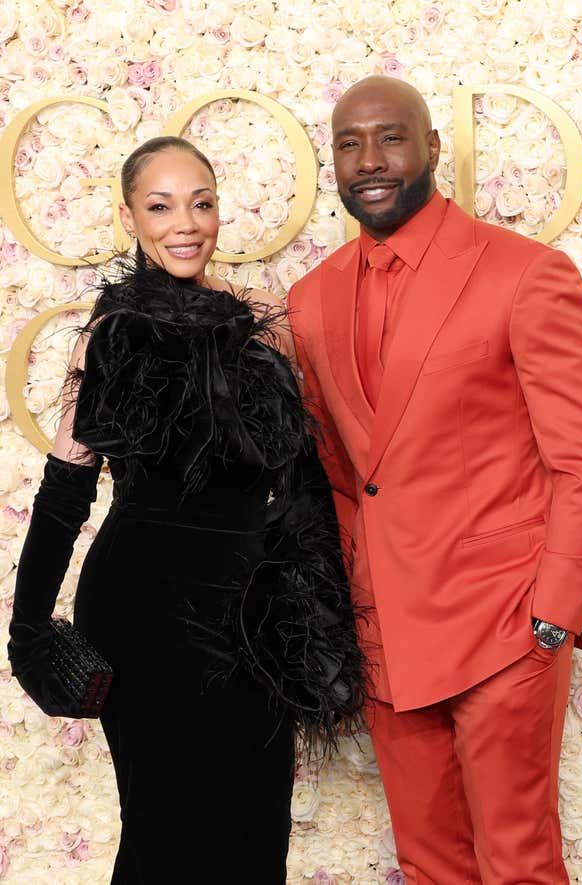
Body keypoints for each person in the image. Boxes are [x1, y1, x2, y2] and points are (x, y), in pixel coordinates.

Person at [287, 76, 582, 884]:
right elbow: (337, 473)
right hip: (383, 631)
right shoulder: (309, 299)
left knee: (516, 861)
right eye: (348, 143)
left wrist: (552, 612)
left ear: (433, 147)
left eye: (390, 137)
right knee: (428, 863)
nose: (369, 160)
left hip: (503, 623)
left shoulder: (524, 273)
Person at [8, 135, 364, 884]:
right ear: (129, 215)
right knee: (165, 831)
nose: (185, 222)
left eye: (201, 202)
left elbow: (302, 480)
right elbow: (66, 486)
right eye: (161, 205)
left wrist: (320, 610)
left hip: (250, 608)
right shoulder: (109, 335)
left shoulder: (264, 325)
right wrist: (27, 628)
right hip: (143, 613)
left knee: (258, 827)